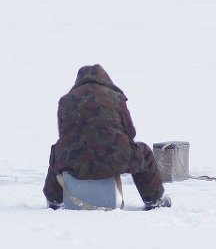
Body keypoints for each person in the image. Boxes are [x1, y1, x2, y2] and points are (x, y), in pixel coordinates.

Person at [43, 64, 170, 210]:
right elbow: (130, 132)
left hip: (75, 160)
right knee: (144, 152)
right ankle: (154, 199)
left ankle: (53, 199)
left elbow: (64, 135)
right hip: (114, 157)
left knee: (57, 153)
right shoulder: (115, 97)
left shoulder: (65, 100)